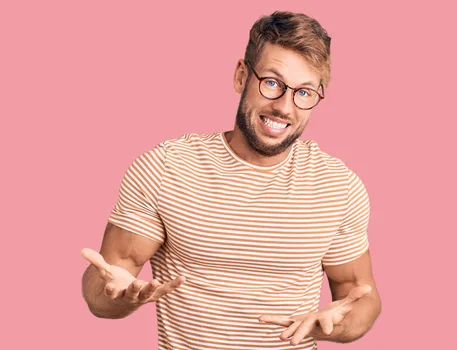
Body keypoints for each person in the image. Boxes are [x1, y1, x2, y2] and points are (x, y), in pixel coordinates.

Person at [81, 10, 381, 349]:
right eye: (272, 83)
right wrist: (118, 297)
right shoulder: (166, 168)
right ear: (241, 76)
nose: (285, 106)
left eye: (304, 92)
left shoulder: (339, 187)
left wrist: (334, 327)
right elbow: (104, 285)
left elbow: (361, 297)